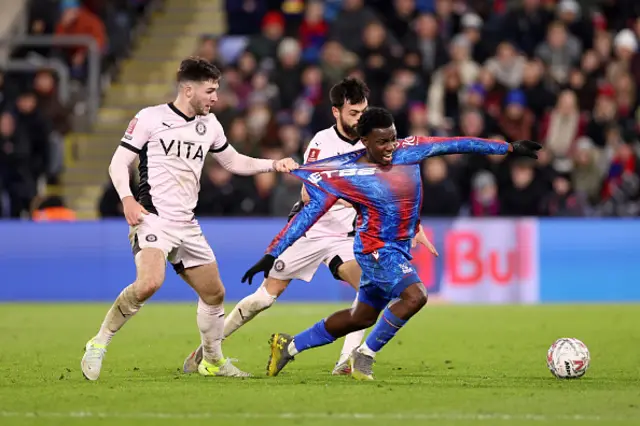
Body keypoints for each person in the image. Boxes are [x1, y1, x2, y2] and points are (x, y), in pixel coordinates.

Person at [242, 107, 541, 380]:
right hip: (374, 249)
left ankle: (289, 347)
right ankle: (364, 356)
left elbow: (458, 143)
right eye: (382, 142)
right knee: (416, 296)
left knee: (361, 316)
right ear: (364, 141)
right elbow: (308, 216)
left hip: (397, 247)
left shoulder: (410, 149)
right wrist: (272, 254)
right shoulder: (343, 174)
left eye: (393, 139)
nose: (390, 147)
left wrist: (509, 148)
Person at [184, 78, 432, 376]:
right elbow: (306, 194)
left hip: (346, 238)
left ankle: (346, 360)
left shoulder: (377, 143)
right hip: (312, 232)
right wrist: (356, 200)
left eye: (363, 111)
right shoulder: (322, 143)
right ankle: (207, 349)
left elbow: (396, 191)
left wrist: (410, 224)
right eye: (353, 113)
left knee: (369, 291)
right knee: (261, 300)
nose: (360, 119)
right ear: (336, 112)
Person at [80, 57, 298, 381]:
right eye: (210, 91)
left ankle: (211, 361)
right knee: (150, 283)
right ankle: (98, 343)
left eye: (216, 91)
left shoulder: (210, 125)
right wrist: (126, 198)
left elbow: (233, 161)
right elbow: (118, 163)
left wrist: (273, 164)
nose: (215, 98)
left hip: (186, 225)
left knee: (214, 293)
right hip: (152, 218)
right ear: (188, 89)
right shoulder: (150, 118)